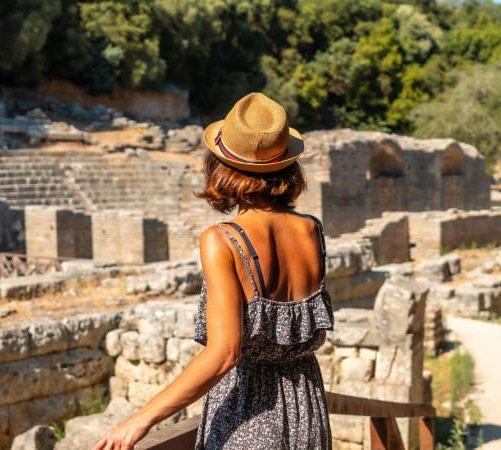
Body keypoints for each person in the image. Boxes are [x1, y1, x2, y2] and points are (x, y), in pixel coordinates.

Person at [92, 92, 334, 450]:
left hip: (248, 412)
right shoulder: (311, 229)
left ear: (222, 166)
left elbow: (224, 354)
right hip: (307, 409)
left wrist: (139, 421)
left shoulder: (222, 240)